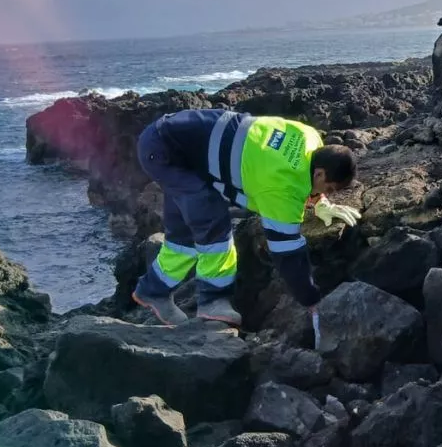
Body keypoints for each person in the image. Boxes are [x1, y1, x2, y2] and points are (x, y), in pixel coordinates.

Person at [131, 108, 361, 327]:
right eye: (328, 189)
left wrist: (320, 203)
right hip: (165, 152)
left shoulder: (309, 137)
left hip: (172, 137)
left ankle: (153, 291)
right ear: (320, 173)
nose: (325, 194)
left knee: (183, 235)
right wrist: (310, 298)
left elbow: (304, 175)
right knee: (212, 222)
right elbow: (287, 250)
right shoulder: (282, 186)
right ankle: (213, 300)